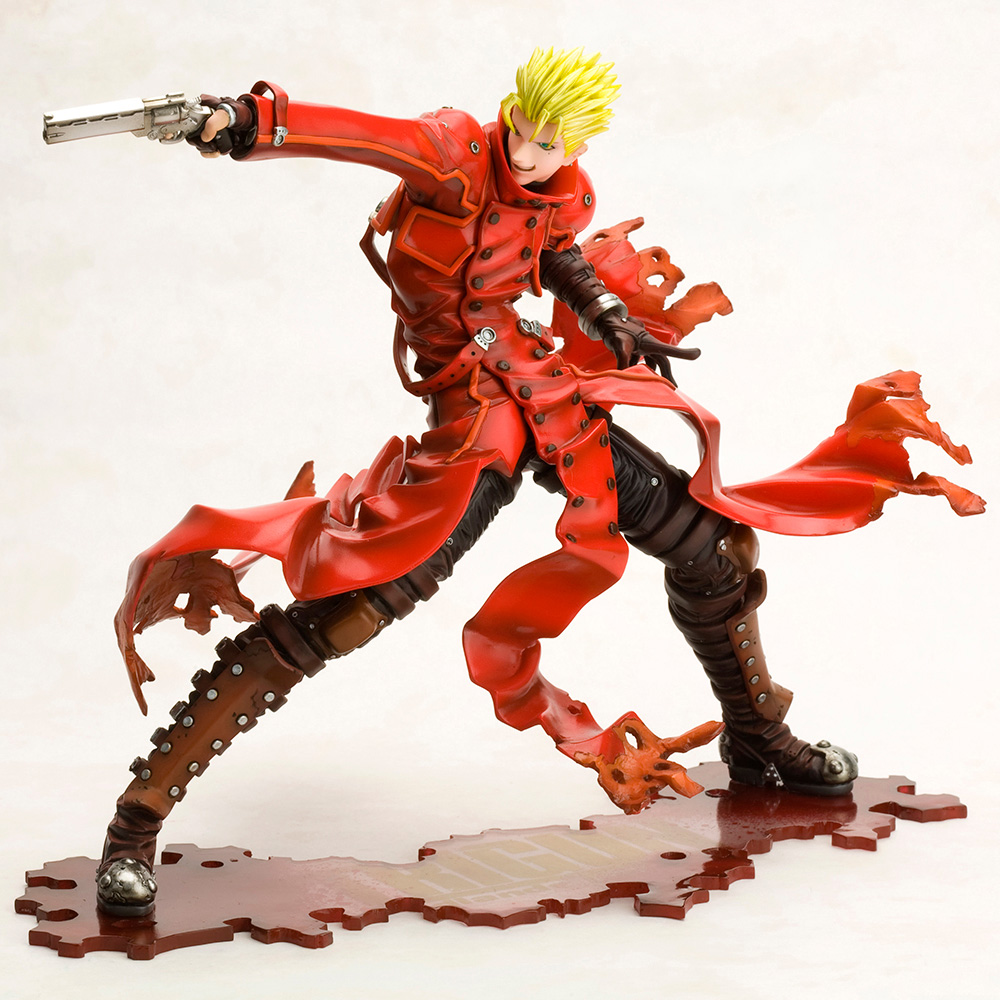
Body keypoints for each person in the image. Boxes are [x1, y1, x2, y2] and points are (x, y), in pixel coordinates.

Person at [95, 48, 982, 916]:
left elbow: (554, 249)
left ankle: (759, 740)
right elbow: (353, 133)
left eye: (552, 144)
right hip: (472, 414)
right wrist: (246, 120)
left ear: (577, 145)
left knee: (713, 549)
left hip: (542, 391)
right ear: (511, 108)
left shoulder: (565, 189)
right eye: (523, 129)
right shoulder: (450, 151)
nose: (528, 152)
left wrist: (603, 308)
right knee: (356, 607)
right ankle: (137, 823)